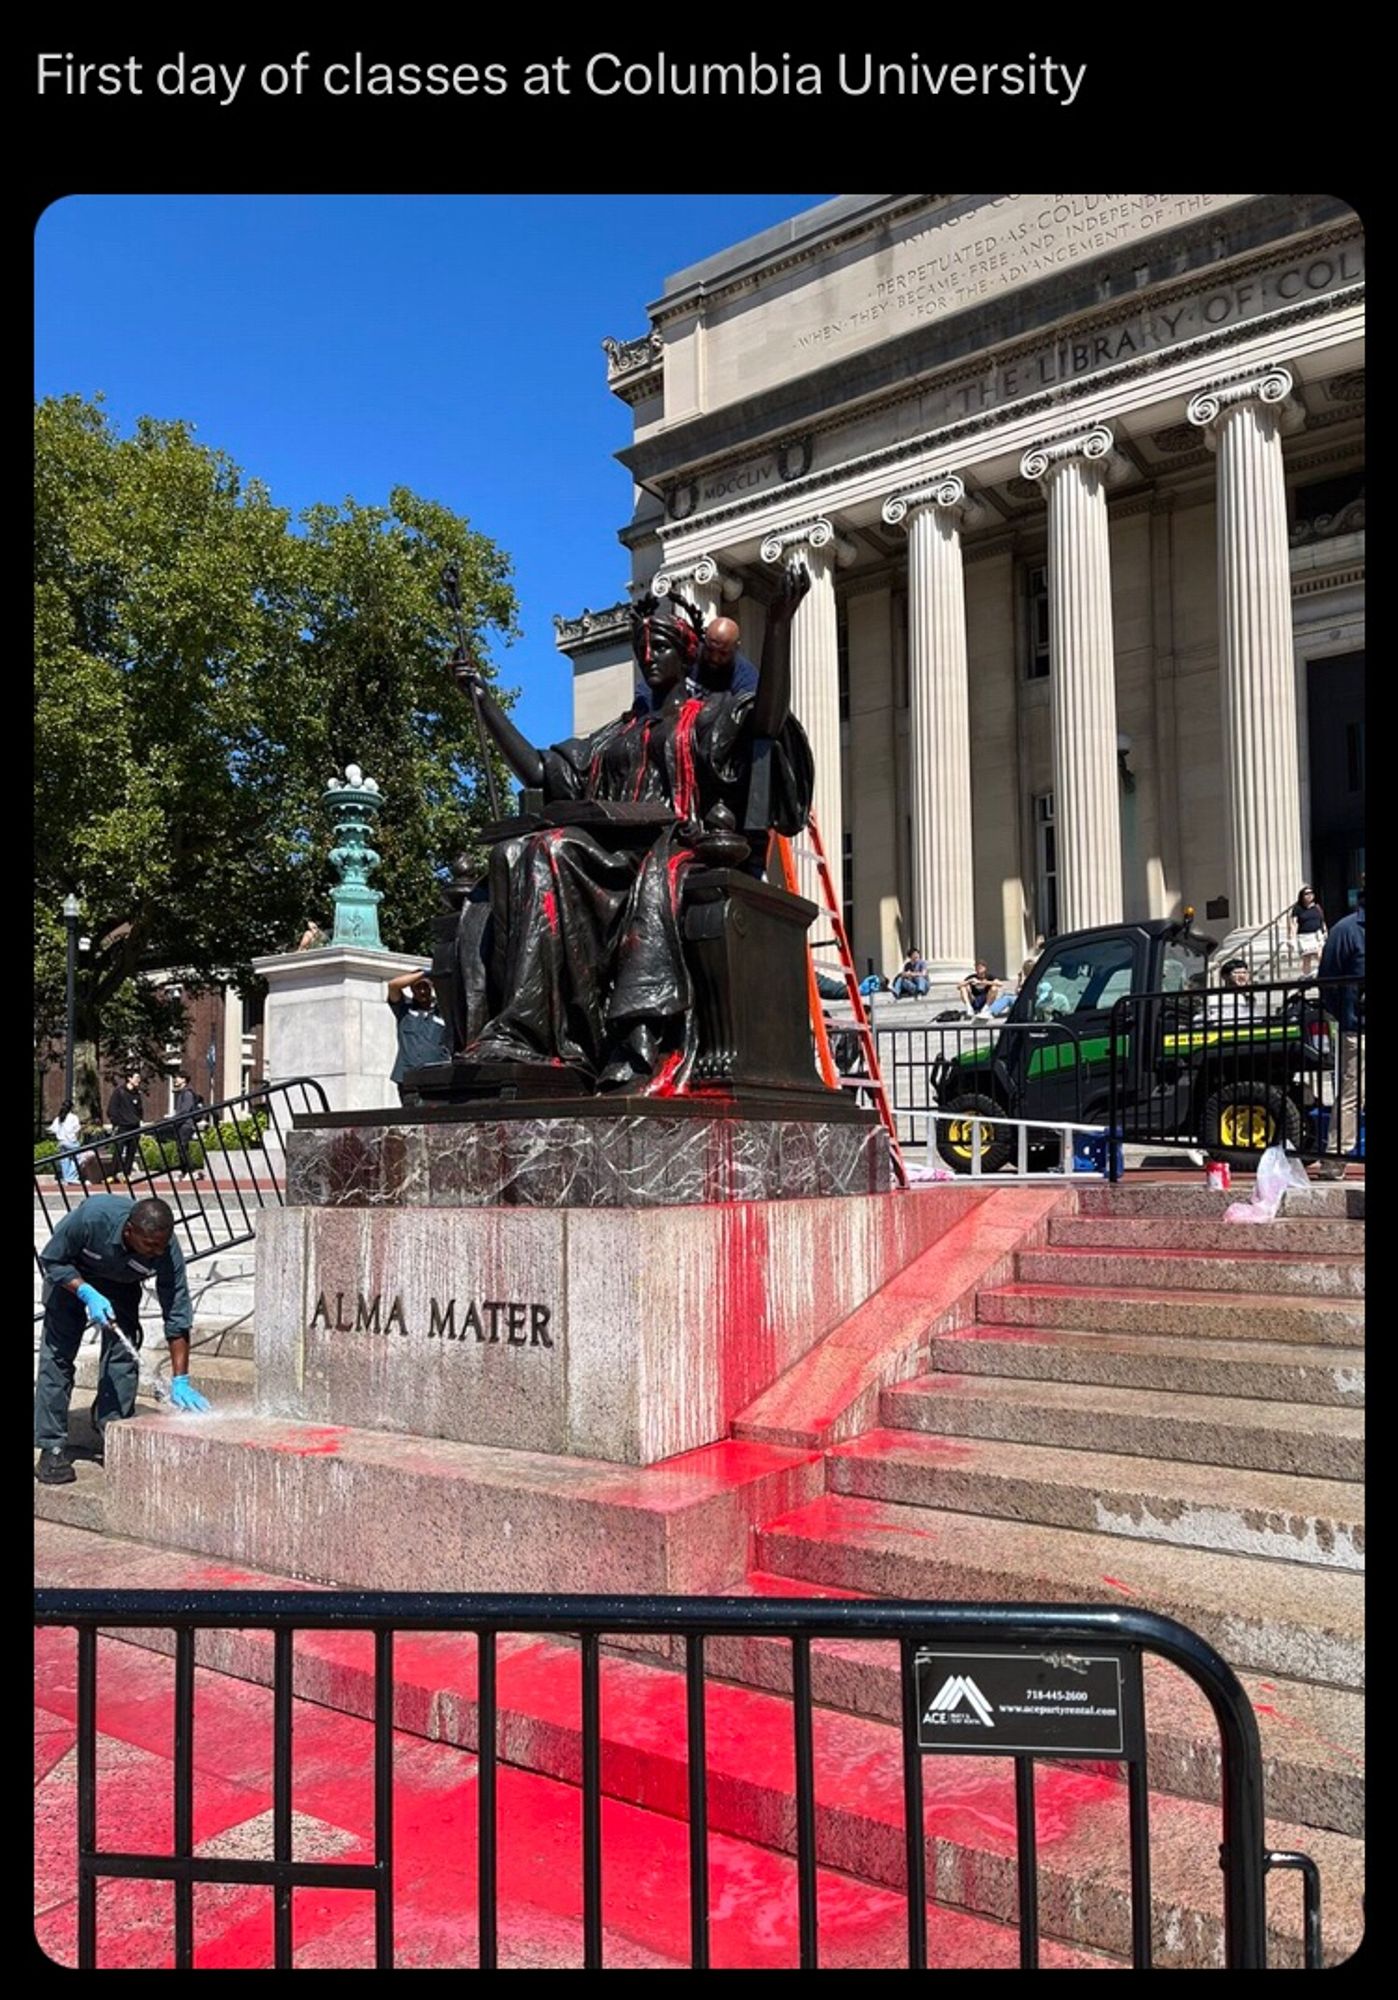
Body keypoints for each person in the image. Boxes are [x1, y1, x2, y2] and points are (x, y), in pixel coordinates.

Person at [450, 566, 813, 1090]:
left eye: (661, 648)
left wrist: (778, 625)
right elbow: (538, 770)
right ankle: (533, 1037)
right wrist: (483, 703)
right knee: (515, 854)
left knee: (553, 851)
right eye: (643, 650)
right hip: (609, 853)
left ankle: (548, 1031)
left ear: (687, 656)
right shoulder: (615, 734)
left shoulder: (707, 717)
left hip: (665, 848)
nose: (649, 658)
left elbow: (769, 720)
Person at [34, 1193, 209, 1485]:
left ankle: (111, 1427)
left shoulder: (165, 1249)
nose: (155, 1253)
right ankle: (51, 1446)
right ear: (129, 1231)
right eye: (149, 1245)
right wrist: (85, 1291)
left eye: (161, 1246)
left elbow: (177, 1308)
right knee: (58, 1358)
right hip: (71, 1279)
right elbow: (52, 1259)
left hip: (121, 1285)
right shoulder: (92, 1217)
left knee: (124, 1356)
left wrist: (181, 1379)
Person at [1316, 883, 1365, 1179]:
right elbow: (1328, 981)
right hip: (1357, 1027)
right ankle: (1335, 1159)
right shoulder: (1346, 929)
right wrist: (1348, 1012)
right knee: (1352, 1093)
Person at [386, 971, 452, 1100]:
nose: (422, 991)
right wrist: (424, 973)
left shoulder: (443, 1011)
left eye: (425, 987)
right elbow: (393, 985)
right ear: (411, 989)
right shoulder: (404, 1010)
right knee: (411, 1116)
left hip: (437, 1076)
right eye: (418, 987)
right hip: (408, 1076)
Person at [698, 616, 760, 696]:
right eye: (710, 650)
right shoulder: (691, 655)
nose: (715, 658)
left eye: (723, 653)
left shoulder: (747, 681)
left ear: (736, 647)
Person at [106, 1069, 144, 1176]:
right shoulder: (119, 1092)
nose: (138, 1081)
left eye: (139, 1078)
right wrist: (116, 1122)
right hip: (122, 1126)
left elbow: (139, 1109)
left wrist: (139, 1119)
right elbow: (112, 1109)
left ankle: (126, 1173)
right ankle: (113, 1174)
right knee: (118, 1150)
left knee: (131, 1152)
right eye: (136, 1078)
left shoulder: (137, 1093)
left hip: (134, 1126)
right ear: (129, 1078)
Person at [170, 1072, 205, 1179]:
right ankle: (185, 1171)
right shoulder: (181, 1093)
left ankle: (192, 1171)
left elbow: (185, 1110)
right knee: (181, 1148)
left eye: (178, 1078)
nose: (175, 1079)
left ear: (184, 1080)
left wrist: (173, 1119)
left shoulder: (187, 1093)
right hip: (180, 1124)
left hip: (186, 1124)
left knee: (183, 1148)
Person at [1288, 884, 1327, 974]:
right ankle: (1307, 977)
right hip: (1304, 936)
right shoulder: (1298, 908)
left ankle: (1323, 974)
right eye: (1306, 894)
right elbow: (1294, 923)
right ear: (1302, 896)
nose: (1309, 895)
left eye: (1311, 893)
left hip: (1317, 936)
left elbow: (1322, 920)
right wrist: (1292, 937)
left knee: (1320, 955)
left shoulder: (1317, 907)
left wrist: (1325, 931)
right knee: (1306, 958)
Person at [48, 1099, 82, 1188]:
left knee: (64, 1160)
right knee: (78, 1158)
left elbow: (51, 1130)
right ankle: (71, 1177)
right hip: (71, 1142)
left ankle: (66, 1178)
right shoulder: (73, 1117)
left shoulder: (58, 1118)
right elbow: (77, 1130)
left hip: (61, 1142)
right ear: (71, 1107)